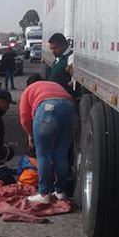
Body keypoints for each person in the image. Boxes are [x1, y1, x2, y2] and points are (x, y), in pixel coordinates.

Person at [20, 74, 78, 203]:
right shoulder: (54, 85)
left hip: (48, 111)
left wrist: (31, 134)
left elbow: (24, 117)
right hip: (70, 110)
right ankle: (60, 192)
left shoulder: (29, 90)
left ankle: (44, 193)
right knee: (61, 155)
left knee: (44, 155)